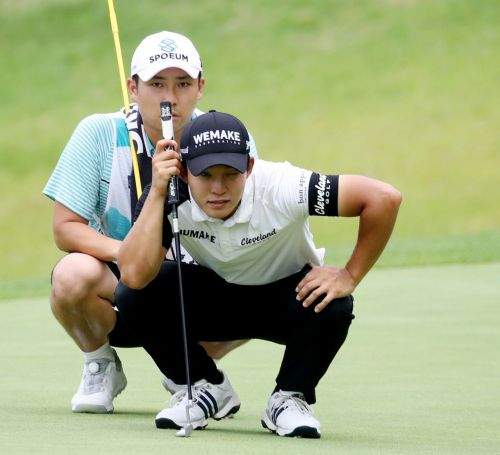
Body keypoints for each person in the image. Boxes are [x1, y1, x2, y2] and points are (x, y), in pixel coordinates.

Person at [114, 111, 402, 438]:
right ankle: (205, 387)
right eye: (205, 175)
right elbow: (133, 276)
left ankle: (289, 399)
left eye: (230, 174)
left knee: (334, 303)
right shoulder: (168, 193)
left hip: (288, 301)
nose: (218, 188)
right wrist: (156, 194)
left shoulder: (283, 185)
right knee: (132, 295)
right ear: (183, 171)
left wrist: (349, 275)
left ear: (249, 167)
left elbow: (383, 198)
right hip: (215, 300)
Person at [43, 31, 257, 414]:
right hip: (119, 290)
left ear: (200, 87)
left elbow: (251, 220)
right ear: (133, 88)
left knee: (264, 277)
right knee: (71, 275)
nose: (169, 97)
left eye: (182, 84)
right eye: (157, 84)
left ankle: (188, 368)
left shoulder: (224, 136)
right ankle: (100, 363)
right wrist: (129, 254)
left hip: (194, 286)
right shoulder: (98, 133)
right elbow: (65, 227)